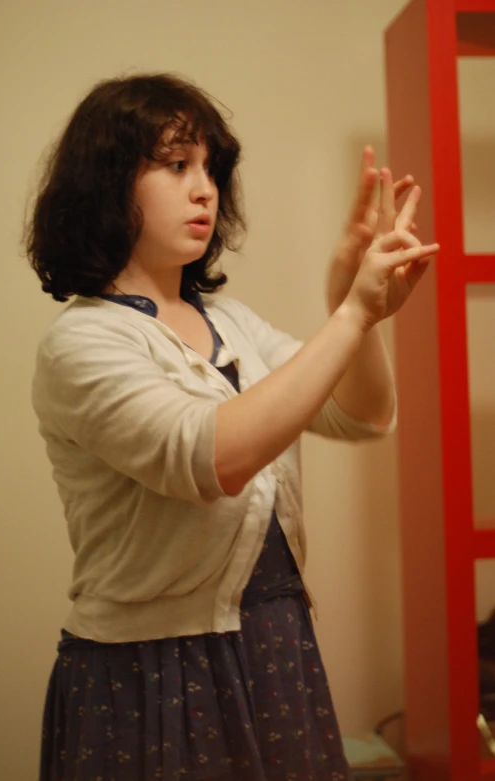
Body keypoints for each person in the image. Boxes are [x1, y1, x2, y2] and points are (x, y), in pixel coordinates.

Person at [26, 72, 439, 781]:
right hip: (150, 664)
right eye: (176, 163)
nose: (204, 189)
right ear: (106, 180)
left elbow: (358, 413)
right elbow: (212, 457)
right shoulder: (81, 343)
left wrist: (350, 306)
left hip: (274, 641)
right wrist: (350, 315)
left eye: (211, 168)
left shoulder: (232, 323)